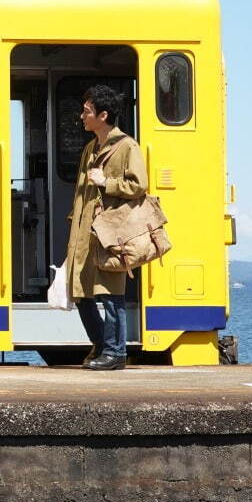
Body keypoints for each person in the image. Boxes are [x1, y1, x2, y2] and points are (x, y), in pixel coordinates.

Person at [65, 84, 148, 371]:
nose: (81, 116)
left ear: (102, 115)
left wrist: (107, 183)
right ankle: (101, 344)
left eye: (87, 112)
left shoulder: (127, 146)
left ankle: (115, 353)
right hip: (84, 231)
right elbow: (80, 192)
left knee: (112, 292)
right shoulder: (90, 148)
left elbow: (139, 185)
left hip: (111, 232)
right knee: (80, 291)